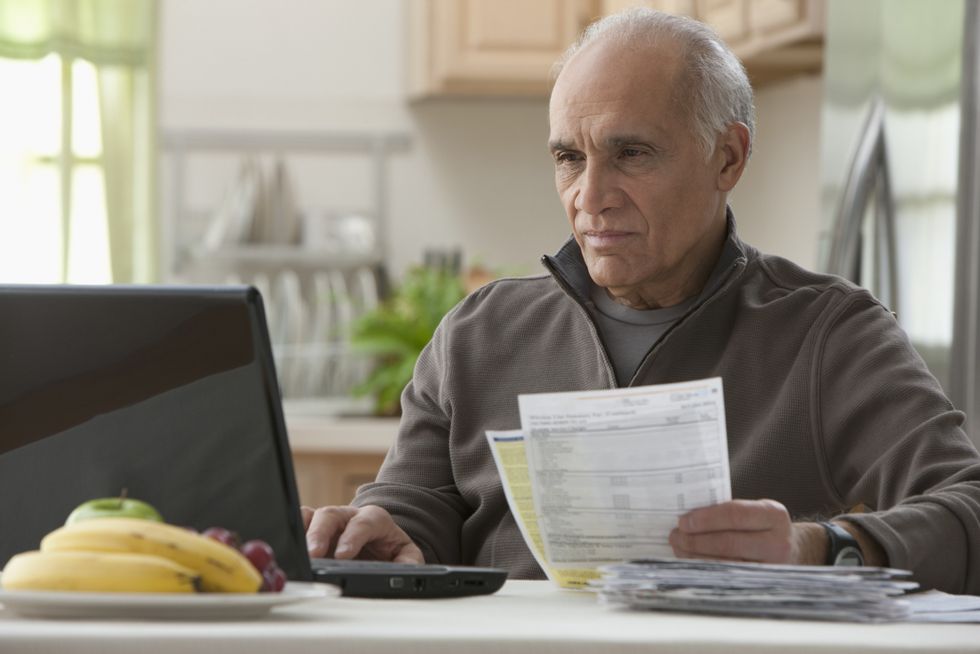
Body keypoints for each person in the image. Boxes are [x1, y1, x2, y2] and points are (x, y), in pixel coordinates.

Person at [303, 8, 980, 594]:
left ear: (728, 159)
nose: (589, 195)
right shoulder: (477, 332)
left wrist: (822, 548)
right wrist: (386, 530)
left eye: (631, 153)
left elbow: (969, 505)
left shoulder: (831, 333)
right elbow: (418, 503)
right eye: (569, 156)